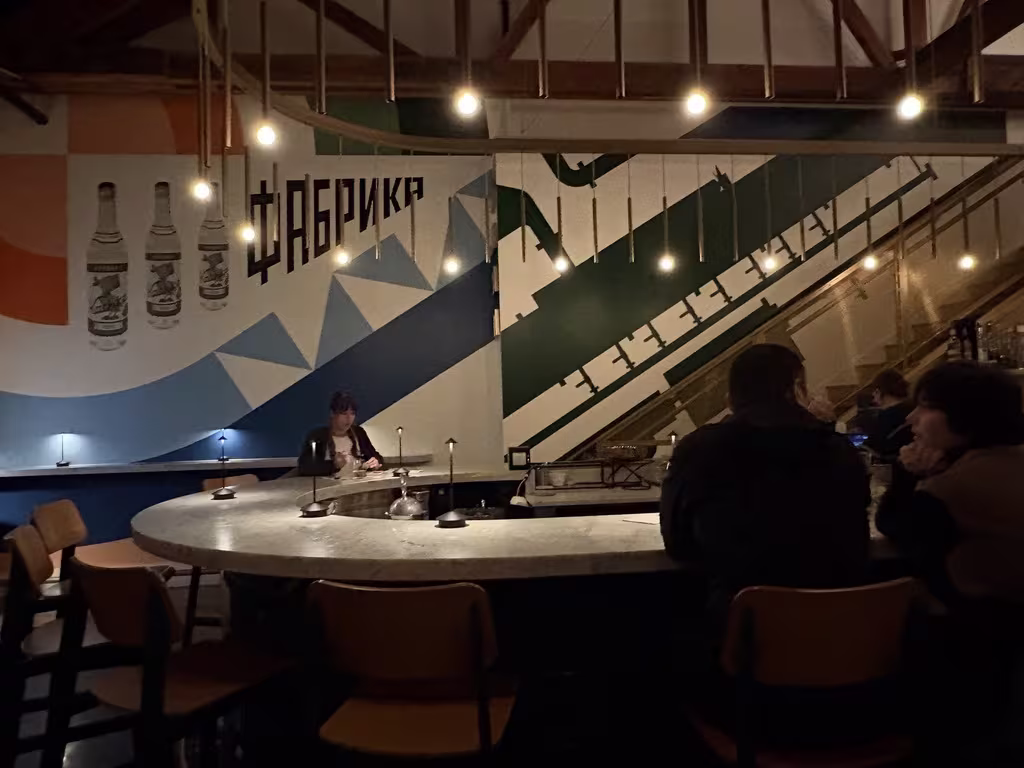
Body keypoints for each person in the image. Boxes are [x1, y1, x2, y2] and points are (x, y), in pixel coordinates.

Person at [660, 343, 871, 625]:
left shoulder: (701, 448)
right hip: (846, 631)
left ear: (731, 399)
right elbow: (857, 533)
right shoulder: (838, 449)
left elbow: (678, 544)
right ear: (795, 391)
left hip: (747, 634)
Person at [876, 361, 1024, 605]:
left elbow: (896, 529)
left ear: (966, 415)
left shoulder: (950, 488)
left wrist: (909, 474)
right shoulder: (1006, 457)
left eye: (926, 406)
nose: (912, 417)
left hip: (988, 631)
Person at [297, 391, 384, 476]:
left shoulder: (359, 432)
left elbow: (377, 456)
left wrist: (376, 461)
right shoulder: (318, 435)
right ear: (332, 414)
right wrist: (335, 465)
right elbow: (305, 467)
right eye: (344, 413)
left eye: (352, 413)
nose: (349, 418)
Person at [863, 368, 914, 461]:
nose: (873, 396)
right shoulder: (916, 409)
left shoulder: (885, 417)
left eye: (874, 391)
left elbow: (875, 448)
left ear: (879, 391)